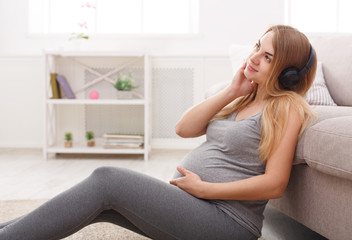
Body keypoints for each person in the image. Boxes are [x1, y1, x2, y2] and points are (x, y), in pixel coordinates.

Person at [0, 25, 316, 240]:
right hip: (197, 207)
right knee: (101, 205)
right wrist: (231, 90)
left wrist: (206, 190)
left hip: (228, 222)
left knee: (107, 179)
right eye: (257, 47)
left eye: (267, 57)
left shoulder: (285, 107)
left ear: (288, 73)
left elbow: (275, 184)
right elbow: (183, 129)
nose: (254, 57)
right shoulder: (242, 96)